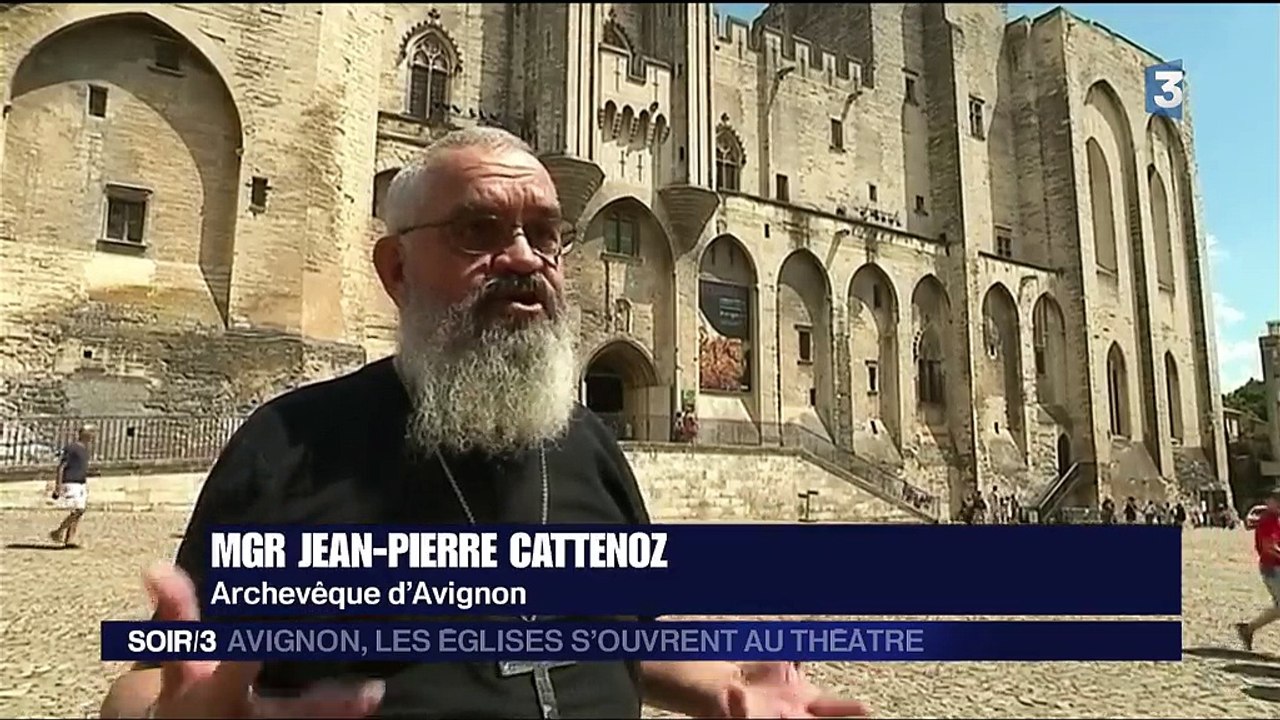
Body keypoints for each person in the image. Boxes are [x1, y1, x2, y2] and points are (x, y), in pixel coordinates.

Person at [98, 128, 868, 719]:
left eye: (547, 233)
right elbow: (140, 687)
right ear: (395, 271)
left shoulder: (591, 447)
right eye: (480, 231)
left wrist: (725, 689)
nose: (525, 257)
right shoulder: (289, 449)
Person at [1236, 488, 1280, 651]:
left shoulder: (1275, 518)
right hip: (1272, 568)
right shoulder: (1268, 520)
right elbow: (1270, 547)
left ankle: (1247, 629)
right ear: (1270, 501)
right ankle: (1247, 629)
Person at [47, 424, 95, 547]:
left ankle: (69, 540)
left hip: (81, 483)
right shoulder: (72, 448)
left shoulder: (85, 449)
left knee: (79, 511)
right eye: (91, 433)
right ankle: (58, 532)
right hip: (71, 482)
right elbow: (61, 466)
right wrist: (58, 486)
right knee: (79, 510)